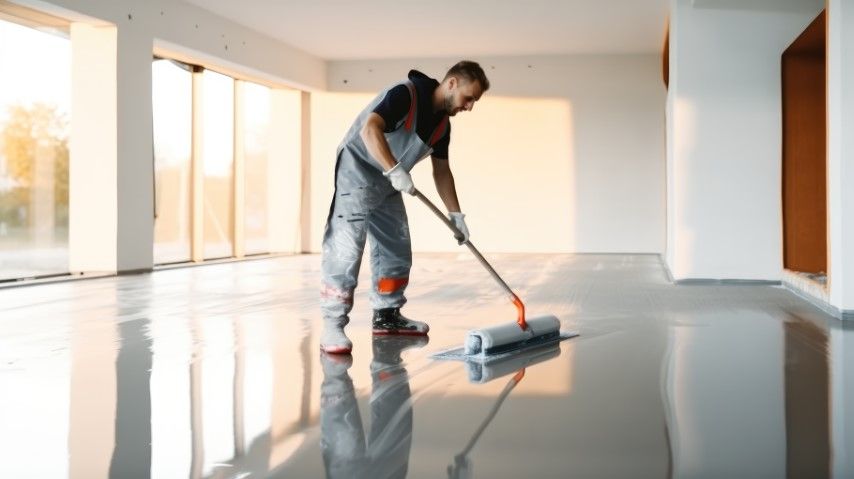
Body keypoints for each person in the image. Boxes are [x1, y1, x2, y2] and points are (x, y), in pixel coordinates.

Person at [320, 61, 490, 354]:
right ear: (451, 83)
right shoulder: (405, 94)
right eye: (469, 97)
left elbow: (442, 172)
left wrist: (456, 215)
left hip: (389, 181)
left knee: (396, 247)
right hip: (358, 171)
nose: (470, 106)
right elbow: (369, 130)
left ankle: (387, 316)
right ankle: (333, 325)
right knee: (347, 247)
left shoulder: (441, 126)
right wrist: (394, 169)